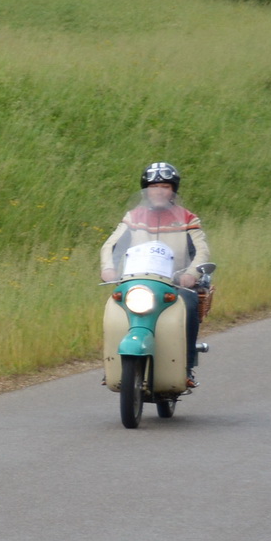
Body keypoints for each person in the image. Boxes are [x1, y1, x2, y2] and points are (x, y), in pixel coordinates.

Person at [98, 162, 214, 385]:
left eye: (165, 186)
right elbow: (111, 245)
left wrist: (190, 275)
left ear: (173, 190)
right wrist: (109, 268)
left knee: (189, 303)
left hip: (173, 284)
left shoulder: (187, 218)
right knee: (115, 308)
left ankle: (186, 367)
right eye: (153, 186)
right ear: (146, 190)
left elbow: (201, 251)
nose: (159, 191)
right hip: (137, 281)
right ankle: (112, 366)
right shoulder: (134, 217)